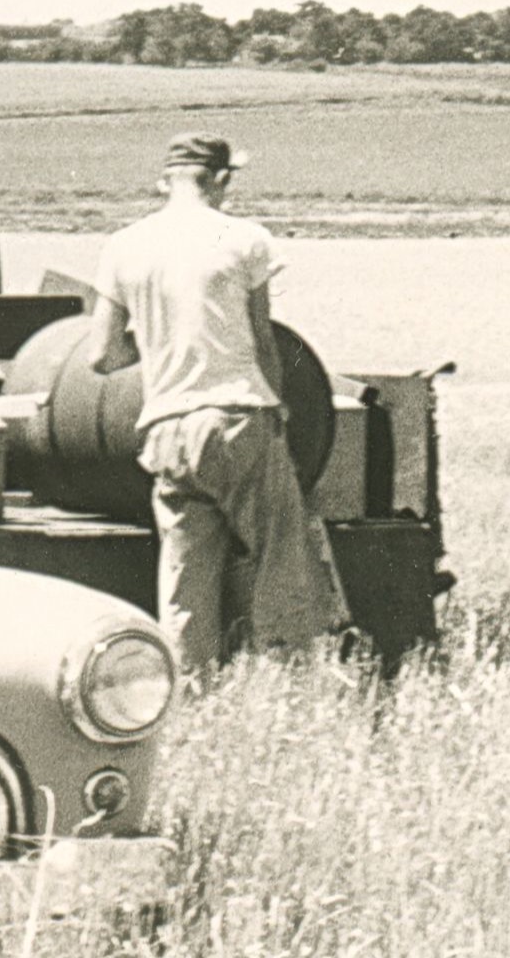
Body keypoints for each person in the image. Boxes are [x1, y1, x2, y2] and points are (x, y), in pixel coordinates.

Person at [84, 132, 348, 669]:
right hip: (233, 420)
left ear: (166, 181)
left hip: (165, 432)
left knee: (185, 578)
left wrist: (164, 340)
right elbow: (262, 341)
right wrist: (278, 410)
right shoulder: (244, 239)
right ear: (222, 180)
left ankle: (185, 692)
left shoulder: (124, 245)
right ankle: (290, 680)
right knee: (281, 555)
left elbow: (102, 357)